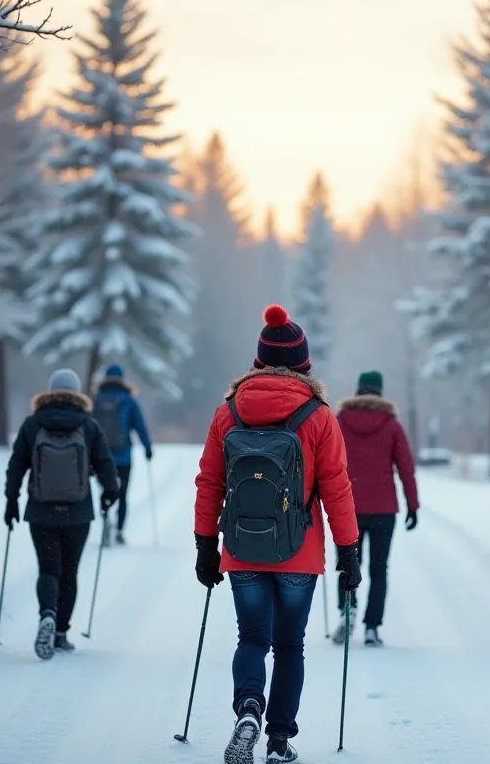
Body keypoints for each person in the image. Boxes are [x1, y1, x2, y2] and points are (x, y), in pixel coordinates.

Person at [192, 304, 361, 764]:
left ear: (258, 360)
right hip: (297, 553)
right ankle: (278, 741)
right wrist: (349, 551)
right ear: (304, 363)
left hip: (242, 548)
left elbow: (209, 482)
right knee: (289, 645)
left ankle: (248, 709)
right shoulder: (319, 416)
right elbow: (337, 488)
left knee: (251, 639)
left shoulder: (227, 412)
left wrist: (206, 545)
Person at [4, 368, 119, 660]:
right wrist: (109, 492)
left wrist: (11, 500)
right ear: (77, 392)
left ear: (50, 391)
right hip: (78, 512)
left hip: (41, 511)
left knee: (48, 569)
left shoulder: (33, 424)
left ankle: (47, 613)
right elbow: (105, 463)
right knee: (69, 571)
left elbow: (17, 464)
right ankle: (60, 633)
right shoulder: (88, 425)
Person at [331, 370, 420, 647]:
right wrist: (412, 505)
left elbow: (328, 462)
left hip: (348, 508)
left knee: (348, 564)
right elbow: (406, 467)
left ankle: (348, 609)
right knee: (379, 569)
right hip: (383, 510)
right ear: (380, 392)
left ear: (358, 391)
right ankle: (371, 627)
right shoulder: (391, 425)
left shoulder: (340, 422)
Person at [91, 364, 153, 546]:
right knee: (122, 493)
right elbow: (139, 426)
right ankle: (119, 530)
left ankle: (105, 521)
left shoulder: (95, 400)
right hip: (123, 456)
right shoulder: (128, 400)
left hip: (100, 457)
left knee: (105, 491)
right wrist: (147, 447)